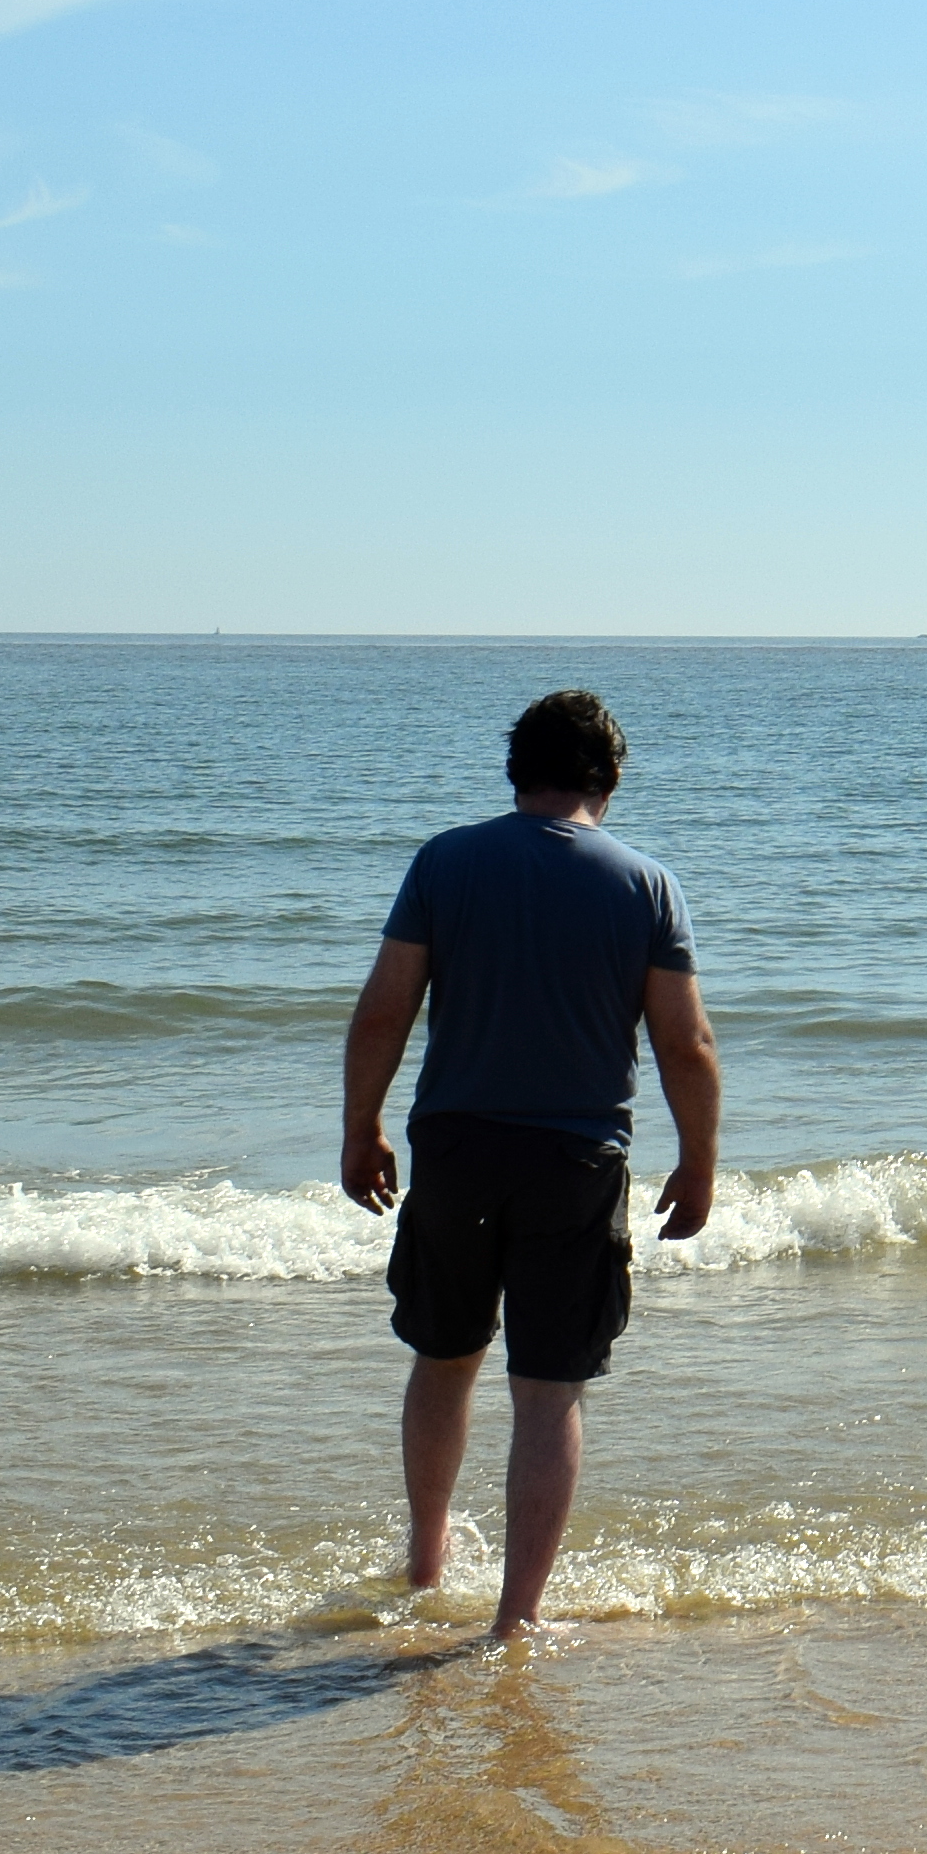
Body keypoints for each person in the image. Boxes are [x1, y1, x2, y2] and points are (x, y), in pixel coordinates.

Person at [338, 689, 720, 1640]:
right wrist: (699, 1161)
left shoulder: (446, 861)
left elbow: (385, 1007)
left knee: (444, 1358)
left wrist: (361, 1126)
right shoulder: (644, 884)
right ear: (611, 779)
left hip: (458, 1145)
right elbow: (687, 1044)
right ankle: (515, 1620)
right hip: (577, 1158)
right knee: (548, 1391)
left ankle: (426, 1565)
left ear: (517, 772)